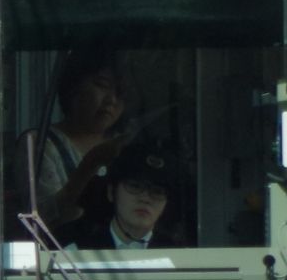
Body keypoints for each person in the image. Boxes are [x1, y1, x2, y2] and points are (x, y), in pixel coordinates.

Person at [24, 48, 130, 229]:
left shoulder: (127, 147)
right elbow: (41, 220)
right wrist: (90, 164)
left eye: (120, 93)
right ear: (73, 86)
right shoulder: (40, 143)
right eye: (102, 85)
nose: (111, 100)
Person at [67, 143, 182, 251]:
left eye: (157, 192)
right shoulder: (77, 253)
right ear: (111, 192)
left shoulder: (181, 256)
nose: (145, 198)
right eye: (135, 186)